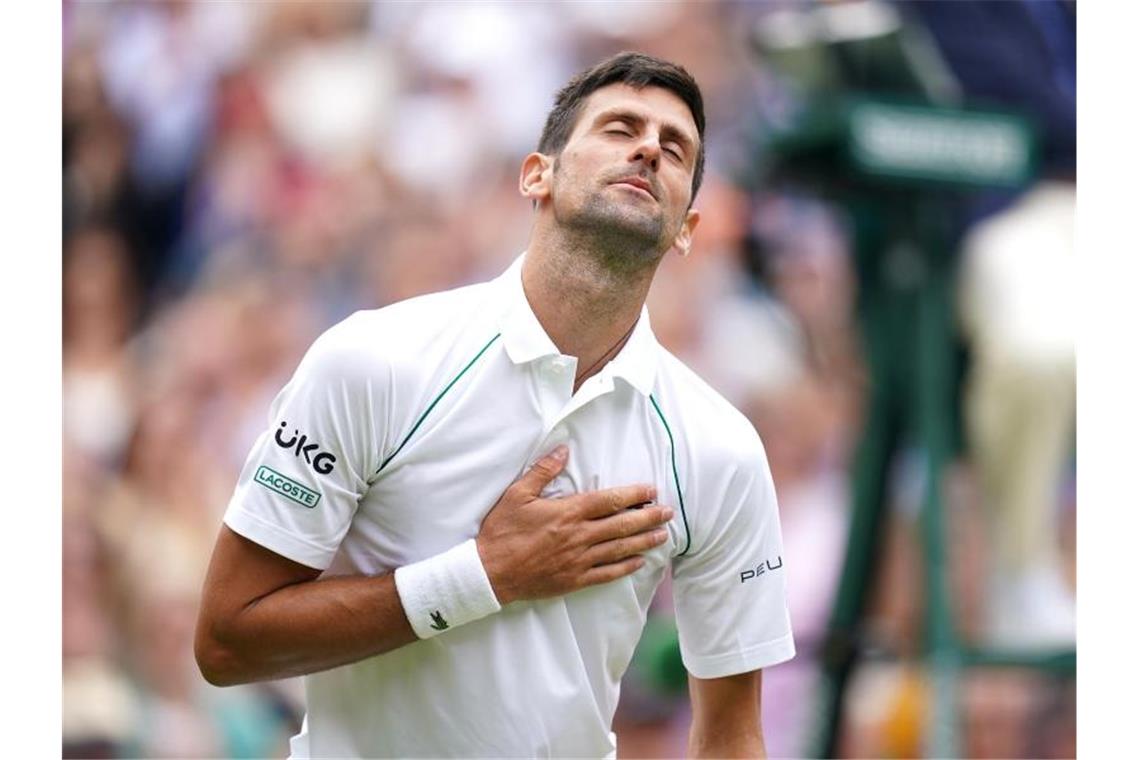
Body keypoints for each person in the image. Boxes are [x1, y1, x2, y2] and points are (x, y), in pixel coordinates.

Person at [195, 52, 795, 758]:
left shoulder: (720, 447)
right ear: (536, 174)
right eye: (620, 127)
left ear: (687, 226)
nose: (648, 148)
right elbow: (228, 639)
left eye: (676, 147)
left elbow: (732, 739)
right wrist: (485, 575)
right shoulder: (372, 362)